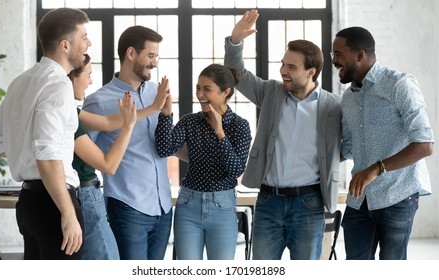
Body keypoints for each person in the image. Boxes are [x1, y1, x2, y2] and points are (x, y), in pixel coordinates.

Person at [224, 9, 342, 260]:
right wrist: (236, 41)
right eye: (282, 64)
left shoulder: (333, 107)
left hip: (309, 204)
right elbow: (237, 75)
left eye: (291, 67)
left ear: (311, 72)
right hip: (269, 201)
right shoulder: (271, 93)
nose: (283, 71)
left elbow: (344, 147)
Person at [0, 8, 91, 259]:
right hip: (54, 203)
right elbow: (47, 154)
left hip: (29, 204)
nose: (89, 43)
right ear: (65, 45)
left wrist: (24, 151)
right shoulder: (58, 84)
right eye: (84, 37)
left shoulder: (21, 81)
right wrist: (67, 213)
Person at [332, 26, 434, 260]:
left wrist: (376, 168)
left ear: (360, 55)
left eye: (338, 55)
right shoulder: (348, 97)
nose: (334, 61)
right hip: (359, 200)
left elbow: (425, 144)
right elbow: (348, 147)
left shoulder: (400, 85)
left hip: (398, 194)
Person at [82, 25, 172, 260]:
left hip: (163, 208)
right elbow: (82, 158)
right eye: (150, 56)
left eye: (156, 57)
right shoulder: (98, 102)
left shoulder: (158, 93)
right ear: (131, 53)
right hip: (127, 207)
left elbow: (166, 142)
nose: (154, 63)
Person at [155, 64, 252, 260]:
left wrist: (220, 133)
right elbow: (164, 149)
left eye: (206, 89)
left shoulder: (240, 125)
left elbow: (235, 169)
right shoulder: (190, 121)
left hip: (223, 207)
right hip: (188, 204)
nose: (200, 94)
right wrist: (166, 114)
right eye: (198, 88)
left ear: (226, 92)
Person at [68, 54, 136, 259]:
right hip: (84, 195)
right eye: (88, 75)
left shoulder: (70, 109)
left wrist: (152, 108)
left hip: (81, 195)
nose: (91, 81)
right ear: (72, 77)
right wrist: (129, 126)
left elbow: (107, 123)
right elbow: (108, 165)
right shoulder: (67, 114)